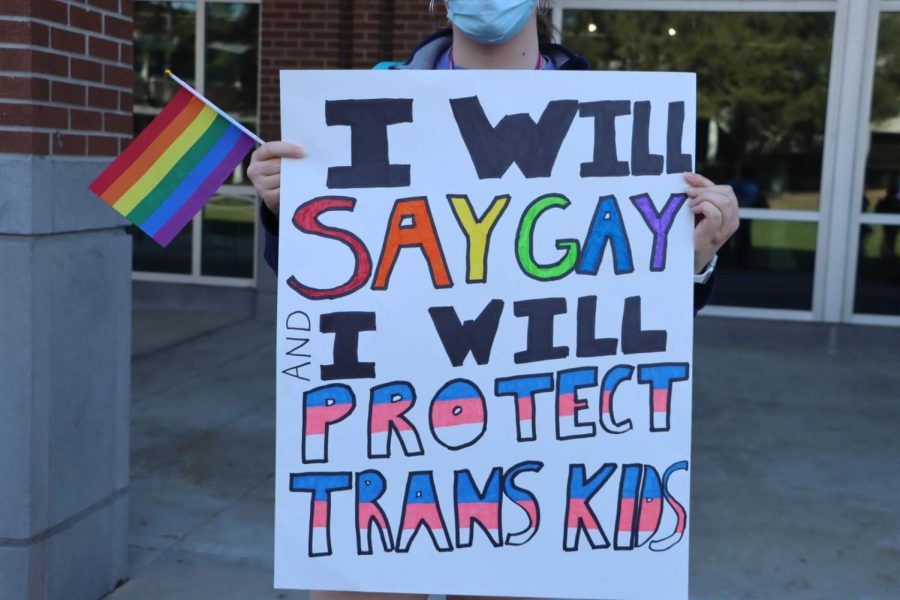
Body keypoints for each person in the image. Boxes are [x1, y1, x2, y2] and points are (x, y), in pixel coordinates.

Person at [250, 3, 737, 599]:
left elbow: (630, 326)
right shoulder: (364, 105)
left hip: (538, 467)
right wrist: (285, 213)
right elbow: (326, 293)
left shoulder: (614, 114)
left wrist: (692, 258)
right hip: (388, 453)